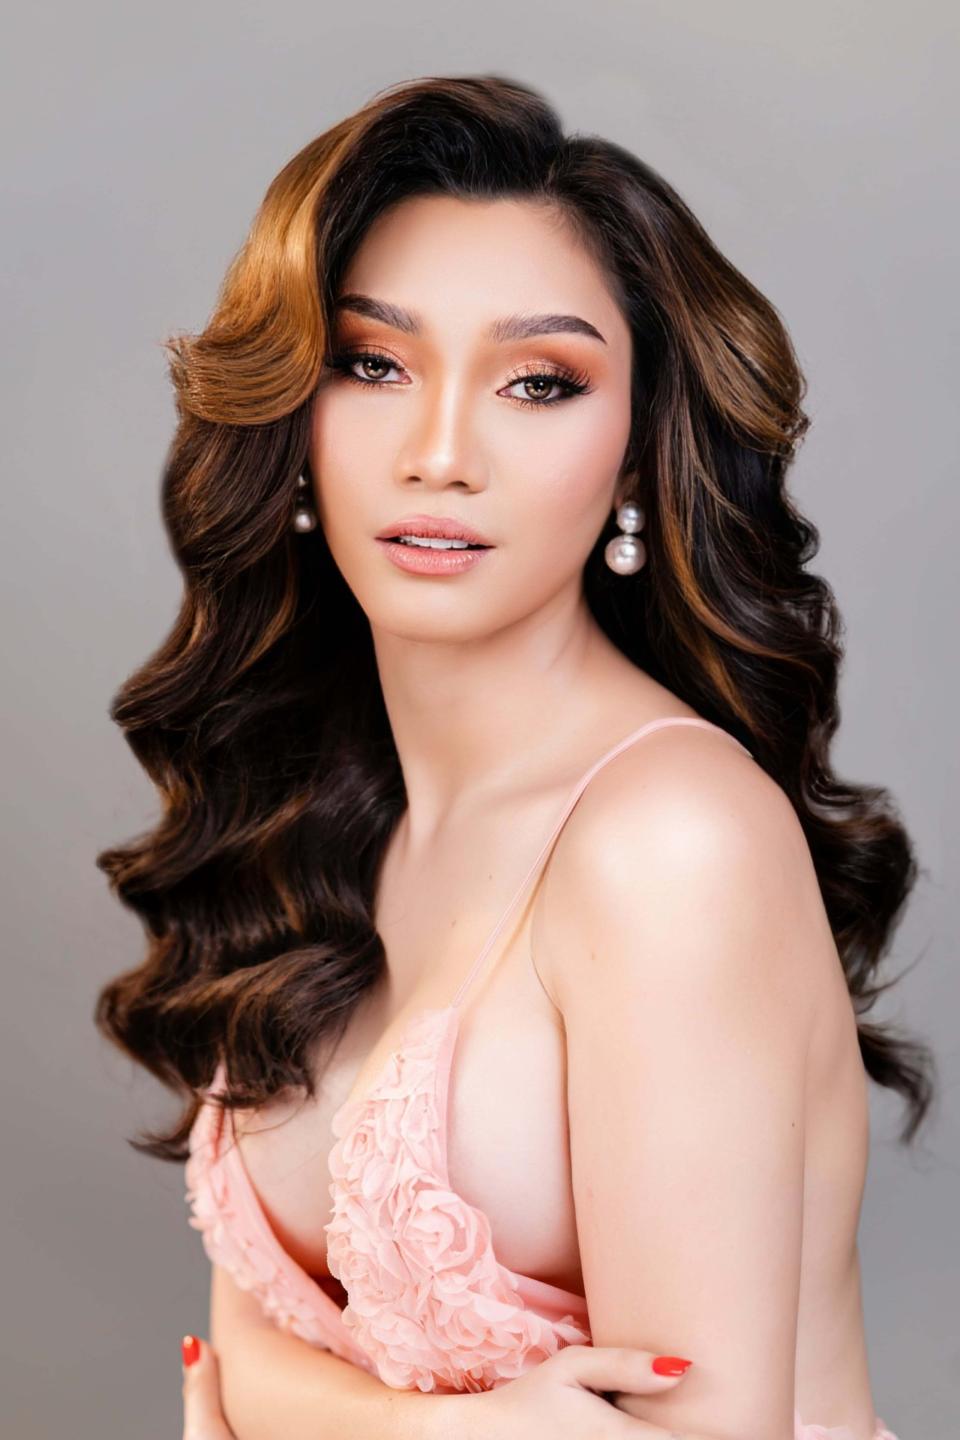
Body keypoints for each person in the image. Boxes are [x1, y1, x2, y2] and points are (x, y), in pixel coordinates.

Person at [95, 74, 931, 1440]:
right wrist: (447, 1428)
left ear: (636, 457)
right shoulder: (327, 810)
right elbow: (239, 1348)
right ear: (291, 420)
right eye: (373, 363)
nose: (440, 454)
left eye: (540, 382)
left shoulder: (669, 841)